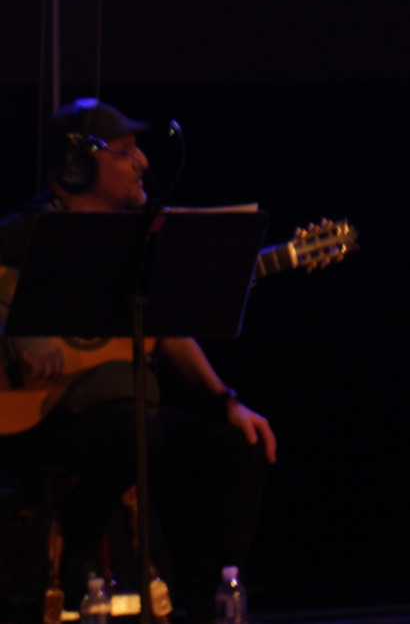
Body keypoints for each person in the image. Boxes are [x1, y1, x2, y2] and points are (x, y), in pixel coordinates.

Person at [0, 99, 275, 612]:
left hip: (129, 422)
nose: (143, 161)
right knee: (135, 432)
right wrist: (17, 335)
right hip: (47, 415)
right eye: (125, 152)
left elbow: (167, 331)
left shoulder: (143, 238)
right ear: (78, 165)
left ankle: (211, 597)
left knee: (241, 443)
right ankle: (78, 559)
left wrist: (225, 401)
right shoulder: (22, 233)